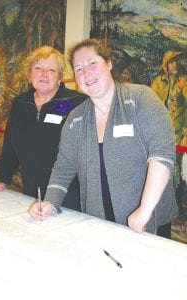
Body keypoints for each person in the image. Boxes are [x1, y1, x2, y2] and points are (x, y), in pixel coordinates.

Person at [29, 39, 178, 238]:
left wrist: (145, 209)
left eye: (92, 63)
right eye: (79, 68)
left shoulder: (140, 98)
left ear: (108, 63)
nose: (86, 73)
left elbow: (162, 154)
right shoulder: (75, 118)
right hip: (98, 221)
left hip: (149, 220)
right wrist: (51, 202)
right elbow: (64, 167)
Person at [0, 45, 87, 210]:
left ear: (60, 77)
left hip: (69, 196)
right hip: (31, 192)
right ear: (29, 74)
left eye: (51, 70)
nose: (44, 74)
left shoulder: (75, 103)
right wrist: (3, 179)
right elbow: (10, 146)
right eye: (38, 68)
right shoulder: (21, 103)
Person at [151, 50, 187, 216]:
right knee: (159, 168)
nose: (175, 64)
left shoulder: (184, 80)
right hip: (160, 134)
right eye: (171, 62)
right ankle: (160, 206)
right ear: (165, 65)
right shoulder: (158, 82)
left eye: (176, 61)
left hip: (179, 136)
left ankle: (177, 210)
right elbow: (150, 105)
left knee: (177, 171)